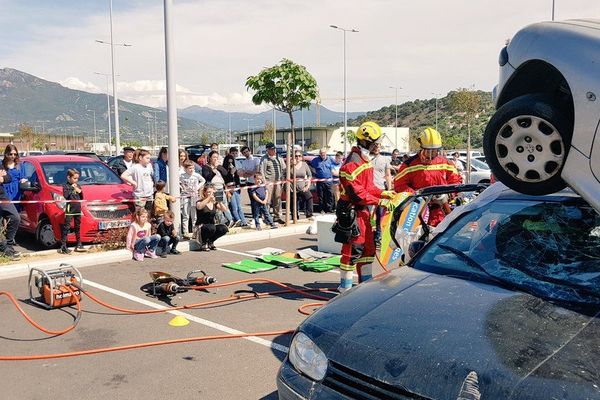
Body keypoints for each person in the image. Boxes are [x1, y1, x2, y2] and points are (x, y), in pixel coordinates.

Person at [337, 121, 395, 292]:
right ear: (365, 142)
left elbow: (367, 187)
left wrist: (383, 193)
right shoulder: (352, 164)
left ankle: (365, 288)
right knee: (353, 249)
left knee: (368, 248)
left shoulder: (365, 159)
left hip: (363, 211)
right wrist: (379, 201)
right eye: (375, 143)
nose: (378, 146)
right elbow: (357, 194)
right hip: (351, 210)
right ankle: (345, 289)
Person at [393, 127, 462, 227]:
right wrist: (419, 196)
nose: (433, 154)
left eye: (435, 150)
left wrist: (449, 194)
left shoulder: (446, 163)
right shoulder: (409, 165)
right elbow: (399, 185)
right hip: (418, 212)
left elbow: (456, 181)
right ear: (422, 148)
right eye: (429, 151)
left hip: (442, 211)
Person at [202, 150, 234, 227]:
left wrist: (218, 167)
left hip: (221, 188)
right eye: (214, 157)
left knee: (224, 205)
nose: (215, 159)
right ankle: (223, 222)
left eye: (217, 157)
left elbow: (226, 174)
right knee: (218, 206)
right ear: (210, 158)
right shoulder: (206, 167)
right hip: (214, 188)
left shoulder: (219, 166)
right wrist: (213, 170)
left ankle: (230, 220)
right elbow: (207, 177)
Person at [195, 184, 229, 251]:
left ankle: (210, 241)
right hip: (201, 226)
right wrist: (209, 198)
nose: (211, 194)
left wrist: (219, 201)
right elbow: (199, 207)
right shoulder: (199, 202)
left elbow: (225, 210)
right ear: (204, 193)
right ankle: (204, 243)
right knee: (211, 227)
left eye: (212, 192)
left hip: (211, 226)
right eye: (208, 192)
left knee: (223, 228)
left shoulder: (214, 203)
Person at [59, 168, 86, 254]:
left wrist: (80, 191)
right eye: (74, 178)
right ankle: (63, 245)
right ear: (69, 178)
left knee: (77, 227)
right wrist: (71, 188)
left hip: (78, 208)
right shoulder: (65, 186)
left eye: (77, 178)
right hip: (70, 209)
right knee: (66, 227)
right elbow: (66, 196)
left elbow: (81, 197)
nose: (76, 180)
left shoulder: (78, 186)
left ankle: (79, 243)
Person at [371, 142, 393, 246]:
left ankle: (378, 237)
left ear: (380, 148)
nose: (376, 148)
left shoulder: (385, 160)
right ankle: (368, 236)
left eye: (378, 146)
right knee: (367, 215)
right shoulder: (366, 158)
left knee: (380, 215)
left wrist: (390, 190)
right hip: (368, 191)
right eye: (374, 146)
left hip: (381, 191)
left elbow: (388, 175)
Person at [121, 149, 155, 213]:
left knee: (148, 214)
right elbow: (123, 175)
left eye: (149, 158)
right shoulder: (135, 167)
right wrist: (133, 183)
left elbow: (151, 176)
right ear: (140, 158)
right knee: (140, 215)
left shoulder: (149, 166)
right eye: (147, 158)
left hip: (149, 194)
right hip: (140, 195)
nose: (149, 160)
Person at [259, 143, 286, 223]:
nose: (273, 151)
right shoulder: (264, 159)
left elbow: (284, 168)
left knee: (277, 199)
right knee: (267, 200)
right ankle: (266, 217)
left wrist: (282, 179)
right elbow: (262, 172)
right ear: (267, 150)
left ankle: (277, 216)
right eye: (271, 149)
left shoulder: (279, 158)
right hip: (268, 182)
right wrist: (265, 183)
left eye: (274, 149)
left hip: (278, 182)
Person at [223, 147, 248, 227]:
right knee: (234, 206)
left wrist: (238, 172)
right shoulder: (226, 162)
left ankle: (244, 221)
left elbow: (240, 173)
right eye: (232, 153)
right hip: (230, 186)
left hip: (237, 185)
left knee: (239, 206)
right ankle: (238, 220)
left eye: (235, 153)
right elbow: (228, 174)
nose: (234, 155)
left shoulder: (238, 162)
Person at [0, 165, 21, 260]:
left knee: (15, 217)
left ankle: (8, 246)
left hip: (2, 196)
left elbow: (8, 177)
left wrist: (2, 179)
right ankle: (4, 249)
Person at [180, 160, 206, 236]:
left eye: (192, 168)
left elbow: (203, 180)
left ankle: (195, 231)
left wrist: (197, 187)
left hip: (194, 196)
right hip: (185, 196)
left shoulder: (196, 175)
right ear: (185, 169)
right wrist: (182, 187)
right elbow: (178, 182)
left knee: (194, 215)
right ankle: (185, 232)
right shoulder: (182, 175)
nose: (191, 170)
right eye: (189, 168)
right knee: (185, 214)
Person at [310, 148, 334, 213]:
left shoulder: (330, 159)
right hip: (320, 181)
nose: (322, 154)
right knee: (321, 196)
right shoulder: (315, 160)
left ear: (326, 153)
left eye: (323, 153)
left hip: (329, 181)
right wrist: (314, 174)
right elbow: (310, 166)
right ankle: (321, 209)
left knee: (329, 195)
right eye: (321, 153)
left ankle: (329, 209)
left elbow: (335, 165)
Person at [291, 150, 313, 219]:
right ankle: (295, 216)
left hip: (303, 187)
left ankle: (309, 214)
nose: (297, 157)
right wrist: (291, 165)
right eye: (296, 156)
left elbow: (309, 175)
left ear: (301, 157)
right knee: (293, 202)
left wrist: (307, 186)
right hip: (292, 188)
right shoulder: (290, 165)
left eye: (299, 156)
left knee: (309, 197)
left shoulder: (304, 164)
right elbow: (285, 175)